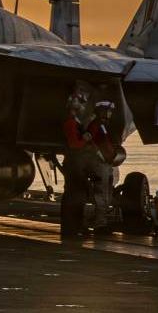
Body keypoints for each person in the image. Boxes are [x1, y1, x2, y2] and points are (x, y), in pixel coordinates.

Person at [60, 95, 93, 237]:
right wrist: (85, 140)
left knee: (75, 194)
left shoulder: (74, 122)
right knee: (76, 195)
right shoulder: (71, 123)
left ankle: (73, 227)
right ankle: (73, 227)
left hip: (74, 162)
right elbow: (74, 144)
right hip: (75, 163)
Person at [85, 100, 119, 235]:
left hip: (106, 163)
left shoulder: (103, 125)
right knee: (101, 193)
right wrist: (99, 155)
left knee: (106, 193)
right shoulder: (96, 125)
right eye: (109, 111)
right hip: (100, 164)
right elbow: (90, 140)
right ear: (102, 111)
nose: (110, 113)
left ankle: (101, 221)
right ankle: (100, 224)